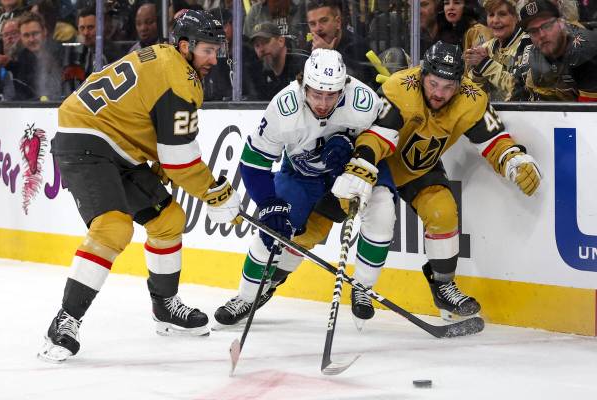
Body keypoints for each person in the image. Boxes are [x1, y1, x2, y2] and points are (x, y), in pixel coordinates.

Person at [38, 9, 242, 363]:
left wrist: (163, 159)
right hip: (85, 139)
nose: (214, 58)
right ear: (184, 46)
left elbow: (146, 118)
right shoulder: (178, 78)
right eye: (207, 49)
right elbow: (180, 159)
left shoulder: (165, 60)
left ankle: (165, 307)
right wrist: (214, 192)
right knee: (113, 226)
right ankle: (65, 321)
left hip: (118, 144)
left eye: (217, 50)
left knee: (169, 220)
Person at [332, 41, 542, 321]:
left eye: (448, 86)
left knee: (443, 211)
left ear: (460, 82)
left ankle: (443, 286)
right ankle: (357, 286)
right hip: (380, 164)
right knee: (355, 222)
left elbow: (494, 140)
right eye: (433, 84)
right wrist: (362, 165)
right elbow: (377, 134)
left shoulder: (472, 99)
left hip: (421, 168)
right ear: (422, 74)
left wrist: (514, 160)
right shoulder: (399, 87)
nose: (439, 93)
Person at [213, 48, 398, 328]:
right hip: (302, 174)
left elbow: (392, 121)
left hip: (354, 167)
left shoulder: (361, 99)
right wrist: (267, 203)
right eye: (316, 94)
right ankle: (248, 296)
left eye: (331, 94)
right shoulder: (283, 107)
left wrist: (363, 158)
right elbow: (253, 161)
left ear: (344, 86)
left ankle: (363, 289)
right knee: (272, 234)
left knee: (383, 209)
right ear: (303, 85)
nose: (324, 103)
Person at [513, 0, 597, 101]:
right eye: (533, 31)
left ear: (561, 22)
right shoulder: (530, 53)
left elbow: (588, 112)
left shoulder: (585, 49)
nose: (542, 35)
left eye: (547, 26)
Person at [464, 0, 533, 101]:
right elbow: (471, 92)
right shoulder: (486, 47)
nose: (495, 20)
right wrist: (477, 72)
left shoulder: (528, 44)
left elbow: (523, 89)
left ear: (516, 17)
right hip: (492, 113)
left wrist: (485, 64)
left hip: (522, 113)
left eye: (502, 14)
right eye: (491, 15)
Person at [306, 0, 375, 87]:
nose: (318, 28)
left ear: (338, 22)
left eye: (324, 21)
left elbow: (355, 84)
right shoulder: (310, 47)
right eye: (312, 24)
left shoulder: (357, 46)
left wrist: (329, 55)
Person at [249, 21, 308, 100]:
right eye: (257, 45)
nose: (261, 49)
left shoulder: (302, 67)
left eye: (266, 42)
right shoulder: (259, 74)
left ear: (281, 41)